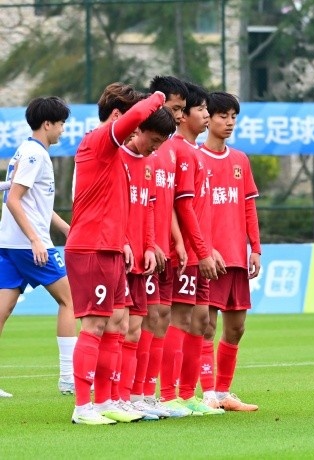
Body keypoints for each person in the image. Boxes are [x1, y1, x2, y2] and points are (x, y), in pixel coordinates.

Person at [66, 83, 166, 425]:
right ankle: (82, 407)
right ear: (117, 117)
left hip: (109, 247)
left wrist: (126, 239)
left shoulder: (119, 158)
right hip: (90, 246)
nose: (135, 131)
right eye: (131, 124)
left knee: (117, 324)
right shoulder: (98, 140)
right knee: (94, 324)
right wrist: (159, 99)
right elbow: (139, 114)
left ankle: (108, 401)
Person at [0, 96, 75, 397]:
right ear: (47, 124)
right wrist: (35, 239)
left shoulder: (25, 151)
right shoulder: (35, 155)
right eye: (60, 125)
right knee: (71, 300)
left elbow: (35, 203)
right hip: (28, 246)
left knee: (2, 310)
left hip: (9, 242)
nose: (62, 131)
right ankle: (69, 377)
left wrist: (64, 228)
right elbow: (14, 199)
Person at [157, 81, 224, 416]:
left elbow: (198, 209)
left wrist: (210, 247)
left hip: (200, 250)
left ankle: (187, 394)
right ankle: (168, 395)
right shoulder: (176, 150)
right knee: (180, 319)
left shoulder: (194, 152)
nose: (206, 115)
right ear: (183, 117)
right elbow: (176, 206)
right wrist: (194, 248)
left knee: (199, 320)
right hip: (183, 253)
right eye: (201, 110)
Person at [129, 76, 190, 418]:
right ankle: (132, 392)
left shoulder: (168, 150)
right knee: (141, 319)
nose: (179, 116)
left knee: (160, 317)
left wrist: (176, 241)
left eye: (182, 110)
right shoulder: (141, 150)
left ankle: (147, 392)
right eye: (175, 108)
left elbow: (165, 204)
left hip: (161, 247)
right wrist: (149, 242)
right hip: (140, 248)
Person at [198, 91, 260, 411]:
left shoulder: (240, 160)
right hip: (209, 259)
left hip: (237, 257)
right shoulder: (195, 159)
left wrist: (256, 249)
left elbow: (249, 207)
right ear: (207, 118)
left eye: (234, 116)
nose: (229, 122)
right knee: (206, 326)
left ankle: (224, 393)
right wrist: (205, 249)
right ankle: (208, 393)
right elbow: (187, 211)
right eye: (223, 115)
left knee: (236, 328)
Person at [116, 107, 177, 420]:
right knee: (118, 327)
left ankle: (137, 395)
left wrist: (152, 244)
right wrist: (124, 241)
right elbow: (115, 210)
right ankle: (115, 397)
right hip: (120, 258)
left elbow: (151, 209)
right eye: (153, 139)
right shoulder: (117, 160)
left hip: (143, 259)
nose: (156, 147)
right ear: (136, 129)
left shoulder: (150, 164)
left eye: (161, 142)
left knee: (137, 328)